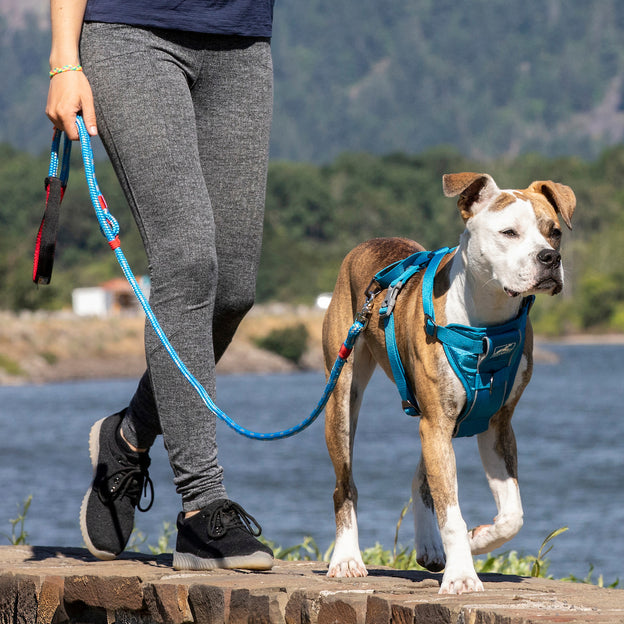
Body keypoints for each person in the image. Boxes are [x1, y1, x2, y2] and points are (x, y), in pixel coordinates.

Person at [45, 0, 275, 571]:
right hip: (129, 34)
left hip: (242, 43)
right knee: (187, 260)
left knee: (233, 292)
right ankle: (202, 507)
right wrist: (62, 60)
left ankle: (128, 437)